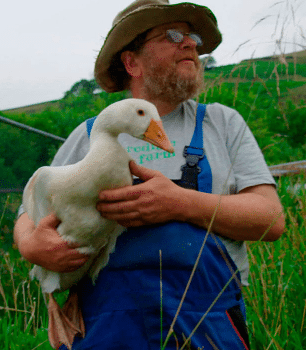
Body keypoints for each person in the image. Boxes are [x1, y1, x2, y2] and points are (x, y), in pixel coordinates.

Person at [14, 0, 285, 349]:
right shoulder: (88, 135)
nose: (190, 44)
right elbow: (29, 211)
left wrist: (181, 203)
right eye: (172, 35)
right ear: (132, 62)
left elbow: (271, 219)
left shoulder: (222, 122)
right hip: (107, 329)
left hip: (206, 325)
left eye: (191, 37)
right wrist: (31, 245)